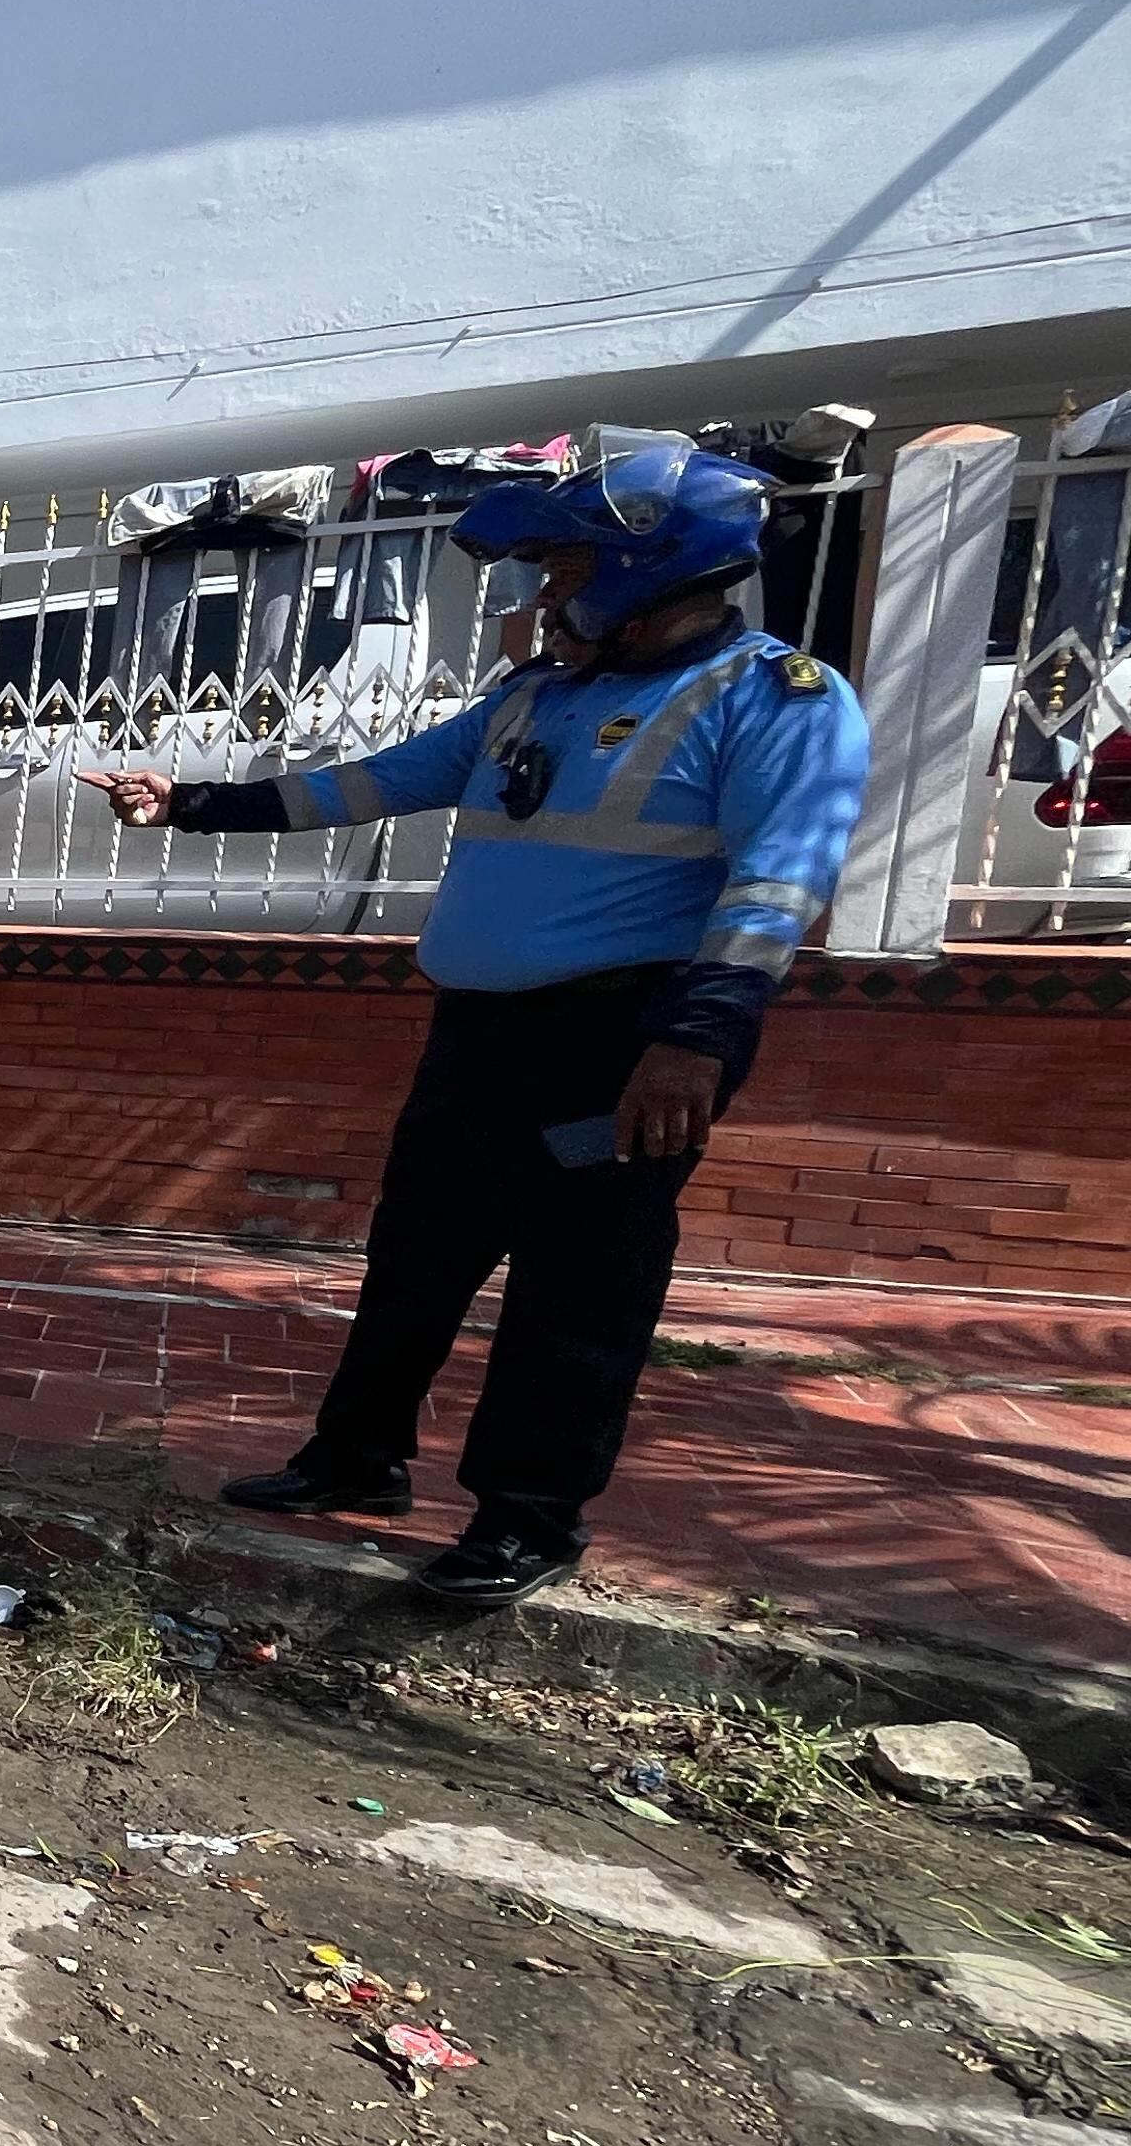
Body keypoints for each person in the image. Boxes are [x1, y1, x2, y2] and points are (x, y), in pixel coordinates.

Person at [80, 444, 872, 1606]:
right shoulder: (537, 699)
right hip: (482, 1035)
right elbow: (373, 782)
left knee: (577, 1291)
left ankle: (527, 1520)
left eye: (564, 566)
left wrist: (696, 1043)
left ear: (648, 569)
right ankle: (356, 1458)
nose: (546, 591)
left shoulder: (773, 700)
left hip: (626, 1043)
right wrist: (189, 803)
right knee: (417, 1256)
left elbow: (778, 884)